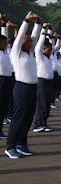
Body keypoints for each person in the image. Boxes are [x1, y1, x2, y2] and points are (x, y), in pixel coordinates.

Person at [6, 11, 41, 158]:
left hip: (33, 88)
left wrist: (38, 23)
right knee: (19, 117)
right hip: (21, 88)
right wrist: (26, 20)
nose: (29, 42)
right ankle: (10, 146)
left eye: (30, 41)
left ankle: (22, 143)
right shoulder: (16, 53)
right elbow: (21, 35)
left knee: (28, 117)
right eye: (26, 40)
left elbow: (35, 36)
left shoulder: (30, 53)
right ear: (19, 43)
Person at [33, 24, 55, 132]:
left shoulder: (48, 58)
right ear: (43, 49)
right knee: (41, 103)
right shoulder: (40, 56)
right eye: (48, 50)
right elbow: (38, 47)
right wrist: (43, 32)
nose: (50, 51)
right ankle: (38, 124)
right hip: (41, 81)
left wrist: (49, 31)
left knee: (47, 103)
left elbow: (53, 46)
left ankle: (44, 122)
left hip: (49, 82)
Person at [0, 14, 13, 139]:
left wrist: (4, 24)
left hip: (7, 79)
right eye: (4, 43)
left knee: (4, 104)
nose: (6, 44)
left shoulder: (6, 51)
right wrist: (3, 24)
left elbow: (5, 37)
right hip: (0, 79)